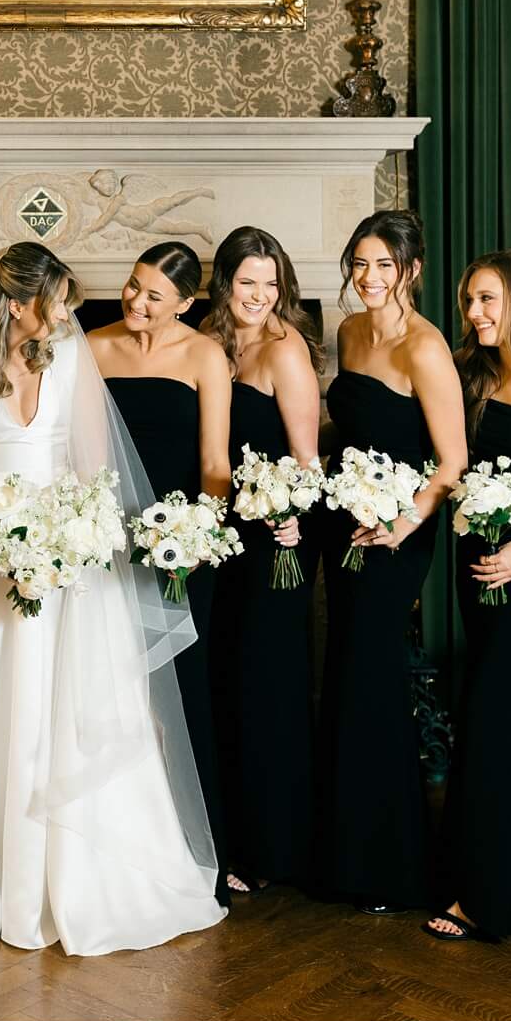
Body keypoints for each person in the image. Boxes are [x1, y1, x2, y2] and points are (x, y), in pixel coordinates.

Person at [0, 242, 225, 955]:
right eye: (58, 299)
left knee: (68, 708)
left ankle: (76, 871)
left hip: (72, 564)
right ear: (19, 302)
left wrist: (63, 537)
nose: (68, 312)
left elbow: (93, 469)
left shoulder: (71, 359)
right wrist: (3, 533)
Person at [318, 211, 468, 912]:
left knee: (374, 671)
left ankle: (391, 863)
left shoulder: (425, 348)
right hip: (348, 520)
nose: (368, 278)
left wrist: (401, 524)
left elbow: (453, 460)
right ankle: (346, 850)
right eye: (359, 263)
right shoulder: (348, 332)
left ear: (411, 268)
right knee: (346, 667)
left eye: (383, 265)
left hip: (401, 531)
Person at [87, 241, 234, 897]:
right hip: (105, 544)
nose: (136, 301)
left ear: (186, 303)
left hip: (179, 545)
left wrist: (201, 526)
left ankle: (194, 845)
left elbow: (215, 461)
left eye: (154, 295)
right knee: (107, 685)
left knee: (179, 689)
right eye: (133, 284)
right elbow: (79, 453)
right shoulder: (92, 347)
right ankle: (108, 847)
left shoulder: (205, 354)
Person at [428, 252, 511, 944]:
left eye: (485, 300)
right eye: (469, 301)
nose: (473, 313)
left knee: (501, 719)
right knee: (493, 717)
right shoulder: (471, 372)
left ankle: (490, 896)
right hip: (476, 575)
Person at [201, 227, 324, 895]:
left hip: (275, 543)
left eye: (271, 283)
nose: (260, 295)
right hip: (220, 541)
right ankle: (226, 836)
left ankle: (272, 847)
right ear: (224, 283)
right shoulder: (208, 338)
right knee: (224, 683)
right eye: (248, 282)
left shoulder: (285, 349)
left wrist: (292, 513)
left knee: (265, 688)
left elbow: (307, 461)